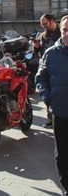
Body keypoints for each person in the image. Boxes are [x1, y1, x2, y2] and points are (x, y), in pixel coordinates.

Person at [35, 15, 68, 196]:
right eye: (64, 30)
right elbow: (41, 77)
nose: (67, 33)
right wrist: (48, 98)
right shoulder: (51, 53)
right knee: (62, 155)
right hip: (60, 112)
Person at [33, 13, 61, 129]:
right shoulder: (42, 36)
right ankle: (50, 119)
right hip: (47, 69)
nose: (44, 26)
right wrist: (36, 47)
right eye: (42, 25)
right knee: (48, 95)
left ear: (53, 21)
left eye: (45, 24)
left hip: (60, 68)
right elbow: (39, 54)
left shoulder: (62, 33)